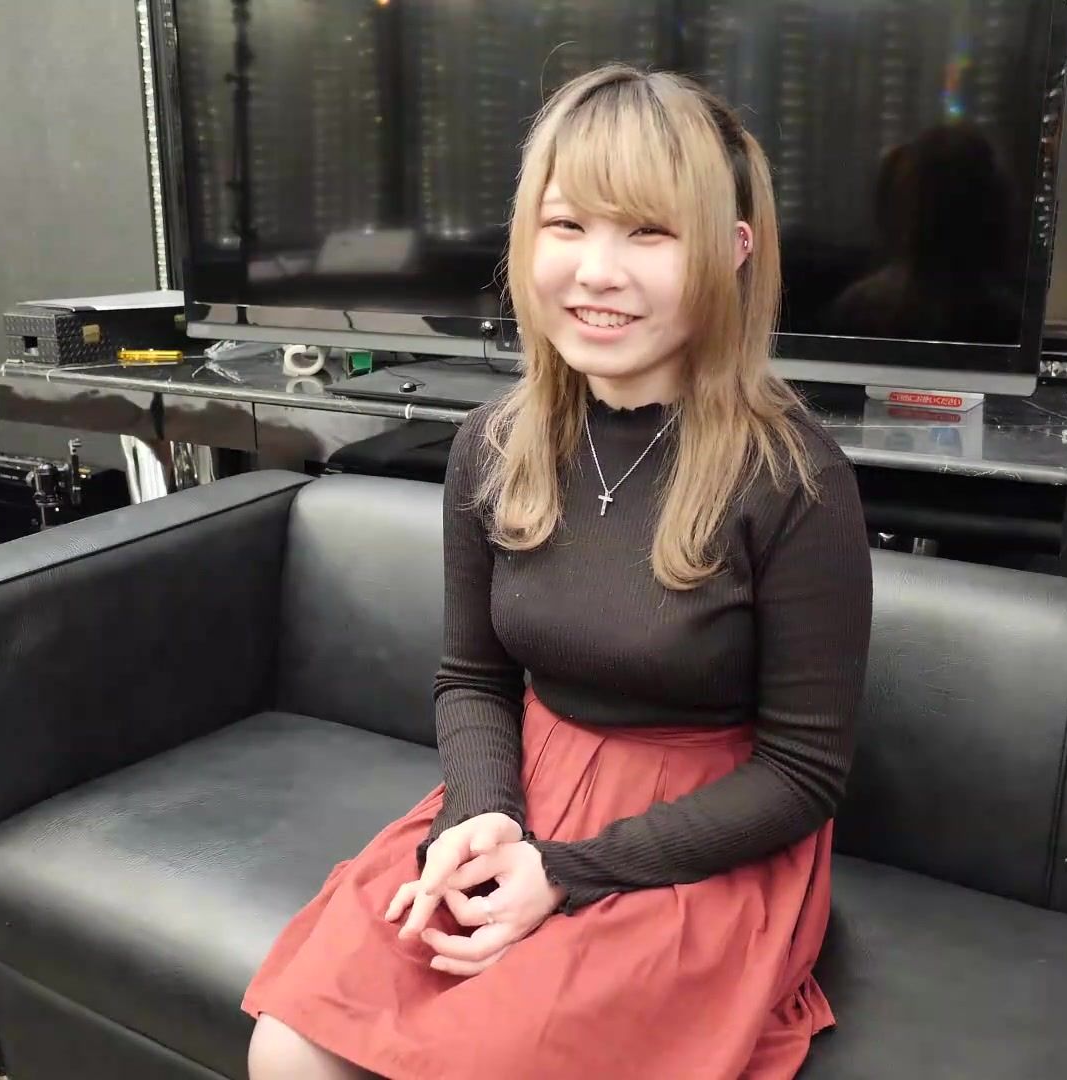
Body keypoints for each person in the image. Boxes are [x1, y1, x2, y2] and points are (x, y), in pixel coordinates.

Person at [242, 63, 873, 1080]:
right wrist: (482, 813)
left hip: (696, 839)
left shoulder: (794, 478)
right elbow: (474, 677)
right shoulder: (494, 443)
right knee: (290, 1047)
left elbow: (803, 773)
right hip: (524, 794)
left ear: (731, 251)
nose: (596, 272)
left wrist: (569, 872)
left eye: (650, 233)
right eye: (567, 225)